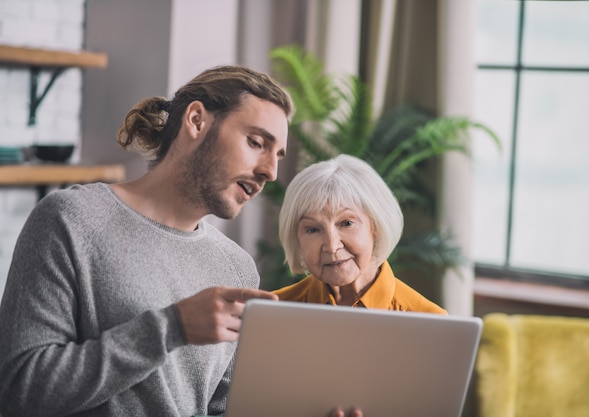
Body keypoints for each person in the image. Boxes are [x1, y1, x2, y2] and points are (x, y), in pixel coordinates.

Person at [0, 66, 359, 417]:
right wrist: (172, 328)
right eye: (256, 143)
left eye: (277, 155)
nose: (270, 171)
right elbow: (18, 390)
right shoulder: (71, 220)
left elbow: (222, 409)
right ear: (197, 121)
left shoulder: (236, 267)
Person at [274, 154, 447, 314]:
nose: (332, 246)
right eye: (312, 230)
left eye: (346, 223)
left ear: (376, 225)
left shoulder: (429, 320)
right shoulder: (274, 310)